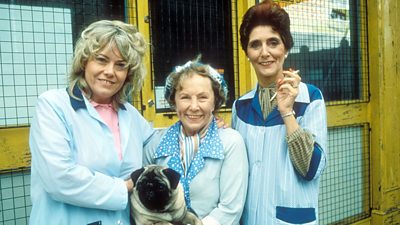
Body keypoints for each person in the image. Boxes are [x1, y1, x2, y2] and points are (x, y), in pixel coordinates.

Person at [29, 20, 154, 225]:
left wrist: (207, 123)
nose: (110, 71)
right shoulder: (53, 105)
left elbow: (162, 147)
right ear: (84, 62)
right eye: (102, 60)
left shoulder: (131, 115)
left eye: (120, 65)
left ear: (128, 73)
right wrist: (124, 187)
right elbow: (59, 178)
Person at [232, 1, 328, 224]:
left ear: (285, 47)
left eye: (273, 42)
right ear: (247, 52)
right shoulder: (241, 106)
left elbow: (311, 169)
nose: (265, 52)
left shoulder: (310, 98)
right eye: (255, 45)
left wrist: (287, 112)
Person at [143, 57, 249, 225]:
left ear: (215, 101)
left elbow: (230, 209)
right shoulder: (155, 144)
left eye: (202, 98)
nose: (193, 106)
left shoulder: (230, 142)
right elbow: (143, 202)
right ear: (173, 101)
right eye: (185, 97)